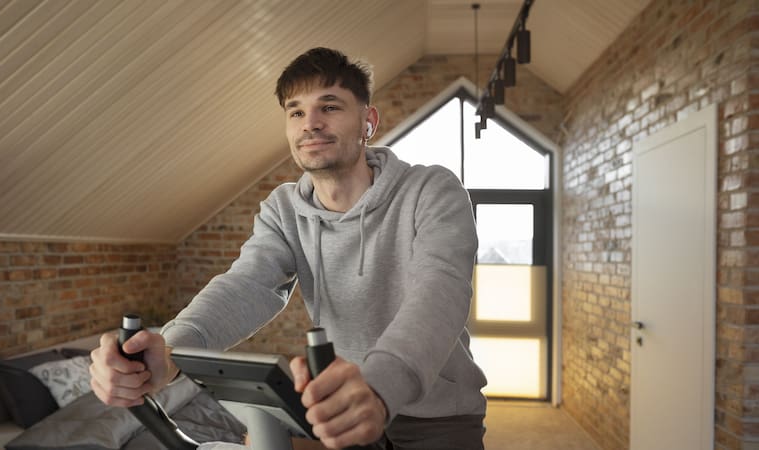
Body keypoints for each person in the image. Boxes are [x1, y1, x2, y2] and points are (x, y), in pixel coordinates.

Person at [89, 47, 487, 450]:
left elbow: (440, 294)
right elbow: (247, 284)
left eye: (329, 107)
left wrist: (379, 387)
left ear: (368, 121)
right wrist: (171, 350)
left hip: (437, 415)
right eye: (296, 112)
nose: (310, 123)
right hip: (342, 410)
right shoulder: (283, 209)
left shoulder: (432, 191)